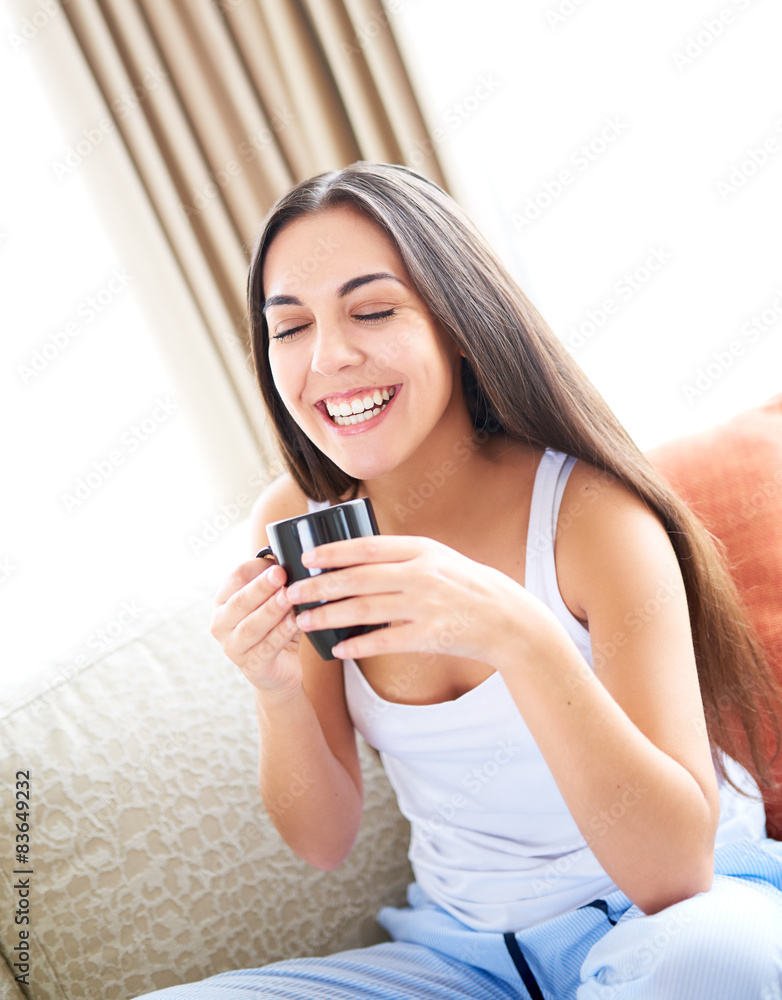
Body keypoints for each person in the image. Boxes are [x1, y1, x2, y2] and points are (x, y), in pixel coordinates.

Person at [138, 162, 782, 998]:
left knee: (714, 968)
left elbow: (674, 873)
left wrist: (517, 635)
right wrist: (277, 690)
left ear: (460, 325)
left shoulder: (594, 519)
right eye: (289, 328)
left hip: (677, 925)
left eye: (372, 311)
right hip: (464, 960)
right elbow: (323, 841)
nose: (329, 357)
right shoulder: (298, 518)